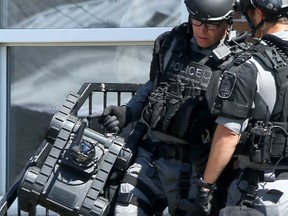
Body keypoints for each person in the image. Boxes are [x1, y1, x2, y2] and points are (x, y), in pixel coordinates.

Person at [100, 0, 244, 215]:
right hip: (151, 157)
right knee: (124, 211)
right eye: (197, 22)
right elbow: (154, 85)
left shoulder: (240, 63)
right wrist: (128, 111)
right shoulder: (171, 43)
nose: (203, 31)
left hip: (197, 169)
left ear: (227, 24)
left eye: (211, 25)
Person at [201, 0, 288, 215]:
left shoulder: (250, 66)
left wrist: (205, 186)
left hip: (263, 192)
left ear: (258, 13)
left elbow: (229, 134)